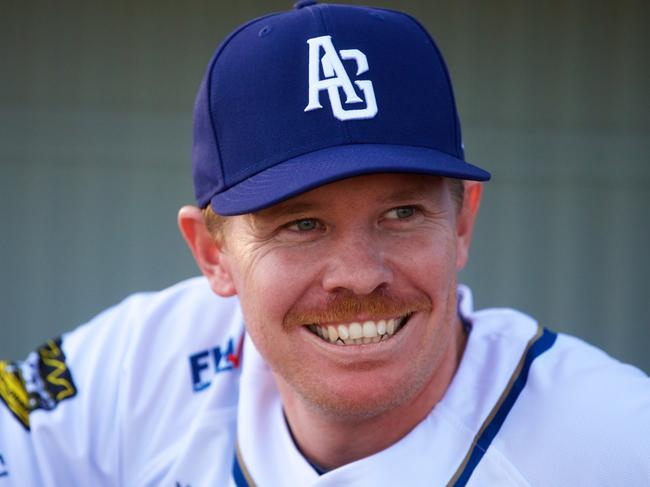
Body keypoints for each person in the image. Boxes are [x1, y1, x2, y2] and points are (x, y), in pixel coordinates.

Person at [1, 2, 648, 485]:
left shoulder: (617, 438)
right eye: (300, 224)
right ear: (212, 253)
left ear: (461, 223)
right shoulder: (140, 363)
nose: (360, 275)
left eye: (400, 211)